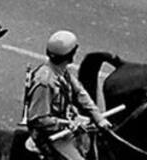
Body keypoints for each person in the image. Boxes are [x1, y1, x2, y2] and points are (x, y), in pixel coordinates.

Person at [24, 30, 110, 160]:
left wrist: (99, 118)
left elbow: (80, 93)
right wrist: (69, 124)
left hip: (67, 124)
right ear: (70, 56)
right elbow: (39, 119)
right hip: (50, 134)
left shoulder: (62, 71)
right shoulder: (45, 82)